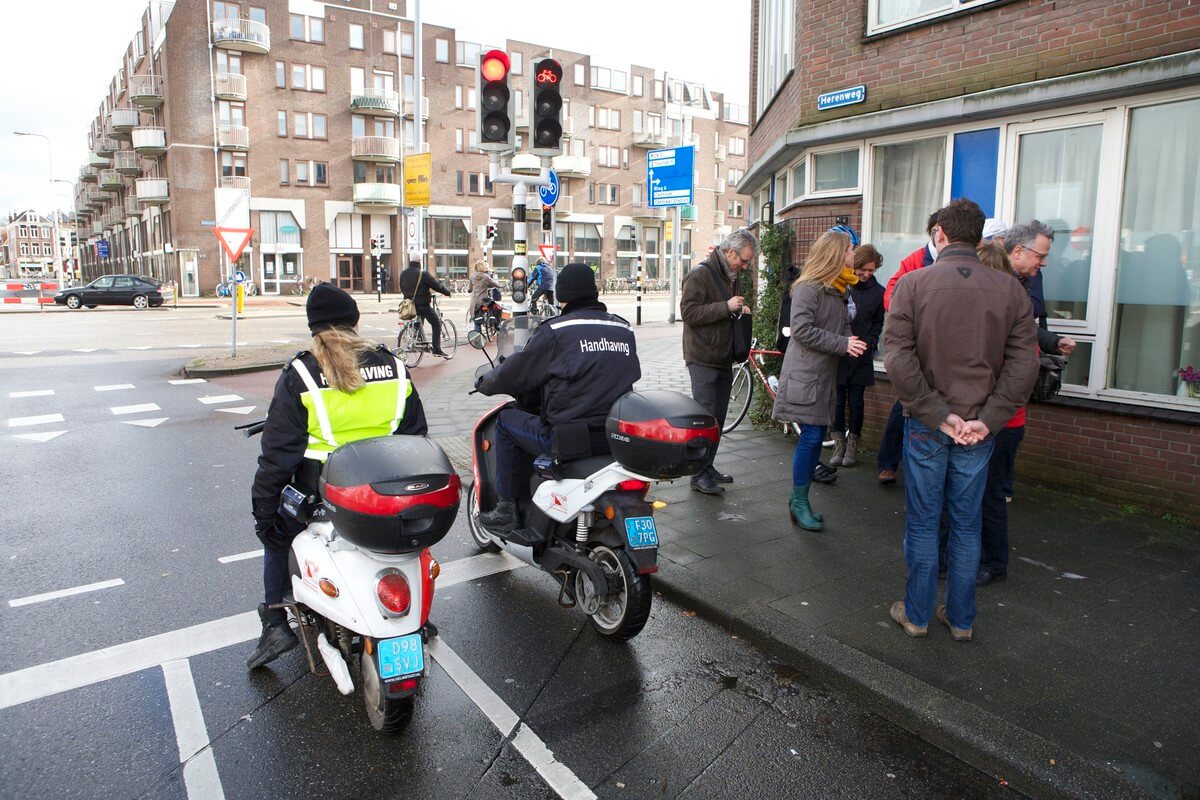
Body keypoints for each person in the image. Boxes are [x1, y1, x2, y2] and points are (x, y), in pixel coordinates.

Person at [248, 284, 429, 669]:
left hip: (321, 494)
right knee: (410, 540)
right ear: (355, 321)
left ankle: (276, 623)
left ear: (314, 328)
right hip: (386, 490)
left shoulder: (301, 373)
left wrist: (264, 515)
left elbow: (277, 461)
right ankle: (420, 617)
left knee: (278, 536)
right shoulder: (394, 365)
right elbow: (416, 435)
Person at [883, 198, 1038, 642]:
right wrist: (987, 420)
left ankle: (916, 615)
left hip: (929, 426)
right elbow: (1023, 363)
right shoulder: (1012, 290)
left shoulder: (912, 284)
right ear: (982, 237)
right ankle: (962, 620)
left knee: (924, 521)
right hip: (978, 430)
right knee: (967, 524)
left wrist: (937, 414)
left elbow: (896, 358)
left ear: (940, 235)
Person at [476, 263, 641, 537]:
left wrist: (485, 382)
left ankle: (507, 511)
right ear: (594, 291)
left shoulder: (557, 330)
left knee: (506, 421)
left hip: (569, 439)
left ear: (562, 296)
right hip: (616, 436)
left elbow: (517, 371)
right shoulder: (623, 329)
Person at [774, 229, 868, 530]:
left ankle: (799, 500)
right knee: (812, 437)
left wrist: (849, 339)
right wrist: (843, 344)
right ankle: (798, 501)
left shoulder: (839, 288)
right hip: (805, 376)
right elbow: (801, 330)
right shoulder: (809, 287)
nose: (855, 255)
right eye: (851, 249)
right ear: (837, 254)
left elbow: (837, 328)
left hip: (822, 375)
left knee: (815, 439)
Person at [680, 229, 758, 496]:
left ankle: (708, 465)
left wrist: (738, 309)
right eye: (744, 261)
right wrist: (726, 306)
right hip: (702, 357)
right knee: (704, 418)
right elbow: (688, 312)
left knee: (718, 418)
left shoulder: (730, 275)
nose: (745, 267)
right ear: (729, 252)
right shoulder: (700, 274)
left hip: (722, 356)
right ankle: (697, 475)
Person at [877, 211, 941, 484]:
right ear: (936, 232)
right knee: (905, 404)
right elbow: (891, 294)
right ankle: (888, 462)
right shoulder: (915, 260)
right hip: (918, 347)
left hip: (941, 349)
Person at [831, 244, 885, 468]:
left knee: (856, 402)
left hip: (861, 355)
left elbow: (878, 323)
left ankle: (852, 446)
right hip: (840, 351)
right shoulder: (844, 286)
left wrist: (871, 342)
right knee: (837, 401)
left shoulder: (879, 292)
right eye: (863, 269)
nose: (866, 274)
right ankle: (838, 445)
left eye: (871, 271)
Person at [1003, 221, 1077, 360]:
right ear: (1018, 252)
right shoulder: (992, 283)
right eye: (1040, 256)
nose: (1044, 263)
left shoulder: (1024, 279)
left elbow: (1022, 328)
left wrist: (1055, 342)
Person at [399, 258, 453, 358]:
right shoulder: (422, 274)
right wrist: (447, 292)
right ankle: (437, 350)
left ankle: (418, 339)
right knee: (436, 324)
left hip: (409, 305)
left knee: (419, 323)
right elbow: (436, 285)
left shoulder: (403, 273)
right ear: (419, 261)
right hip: (422, 305)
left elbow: (402, 287)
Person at [468, 259, 501, 333]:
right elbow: (494, 284)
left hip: (475, 301)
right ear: (482, 267)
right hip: (484, 300)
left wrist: (470, 290)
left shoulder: (472, 276)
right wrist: (500, 286)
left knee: (477, 321)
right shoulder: (486, 276)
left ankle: (478, 338)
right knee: (496, 309)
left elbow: (470, 288)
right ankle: (497, 326)